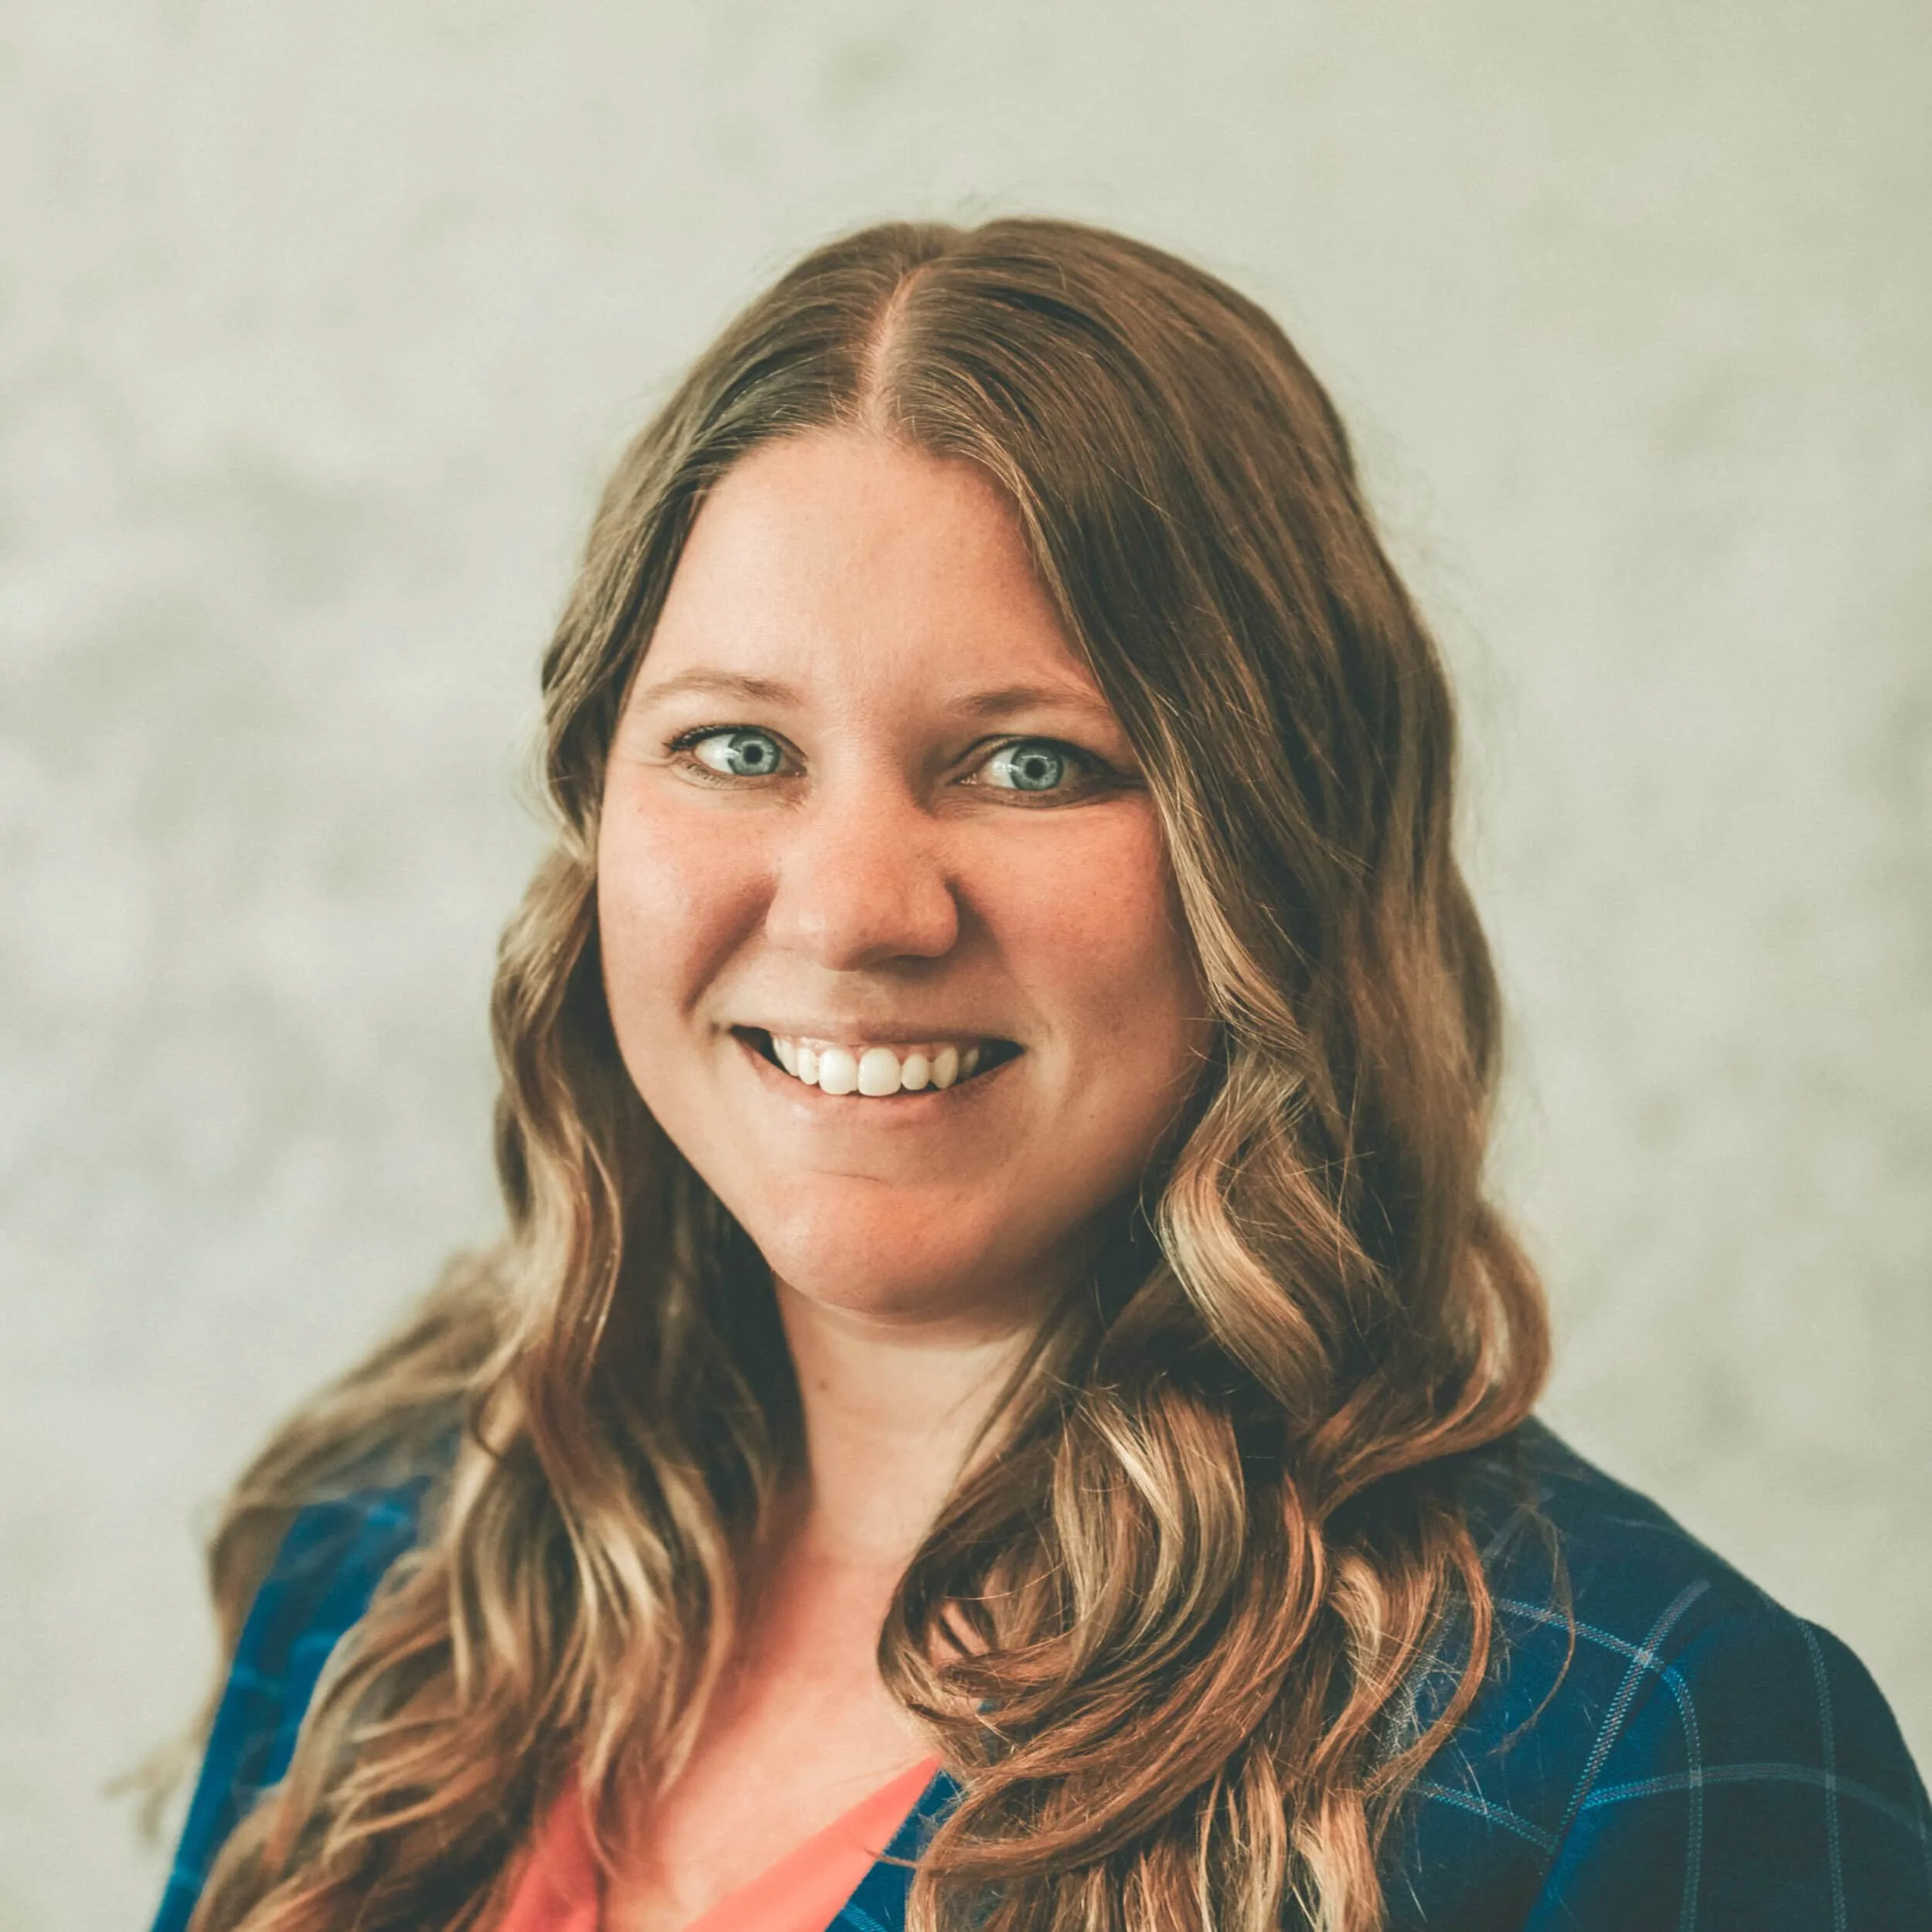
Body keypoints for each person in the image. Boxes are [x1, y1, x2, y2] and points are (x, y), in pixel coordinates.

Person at [154, 219, 1930, 1932]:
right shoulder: (384, 1558)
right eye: (738, 746)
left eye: (1027, 763)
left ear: (1278, 849)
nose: (853, 908)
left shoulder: (1636, 1748)